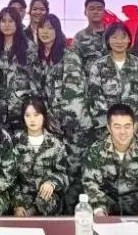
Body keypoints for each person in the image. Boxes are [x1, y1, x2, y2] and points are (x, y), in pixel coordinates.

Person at [33, 14, 88, 208]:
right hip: (52, 127)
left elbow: (73, 97)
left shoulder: (68, 56)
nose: (45, 32)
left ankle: (73, 215)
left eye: (50, 28)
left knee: (72, 173)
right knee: (54, 172)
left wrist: (55, 122)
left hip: (73, 129)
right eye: (42, 27)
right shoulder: (38, 57)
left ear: (57, 31)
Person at [81, 103, 138, 217]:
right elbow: (90, 183)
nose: (123, 132)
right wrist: (98, 209)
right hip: (107, 210)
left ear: (134, 127)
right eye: (117, 127)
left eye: (127, 126)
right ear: (109, 128)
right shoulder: (96, 150)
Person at [85, 22, 138, 140]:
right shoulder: (98, 66)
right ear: (108, 40)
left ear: (129, 39)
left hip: (135, 128)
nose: (119, 41)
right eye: (114, 37)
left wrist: (136, 124)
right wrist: (110, 124)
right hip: (107, 129)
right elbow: (95, 96)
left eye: (123, 37)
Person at [9, 97, 69, 216]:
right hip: (22, 197)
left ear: (44, 116)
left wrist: (51, 183)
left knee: (45, 201)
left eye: (36, 115)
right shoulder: (15, 142)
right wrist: (17, 203)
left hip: (47, 198)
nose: (32, 119)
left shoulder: (55, 144)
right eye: (27, 115)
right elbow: (10, 177)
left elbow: (63, 175)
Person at [0, 7, 36, 131]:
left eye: (11, 21)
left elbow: (35, 80)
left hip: (21, 108)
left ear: (18, 23)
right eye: (3, 21)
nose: (7, 25)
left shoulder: (29, 47)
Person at [73, 0, 109, 72]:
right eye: (91, 9)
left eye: (99, 9)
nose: (95, 12)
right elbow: (74, 64)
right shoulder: (79, 37)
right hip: (88, 78)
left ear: (104, 12)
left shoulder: (113, 34)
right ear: (85, 12)